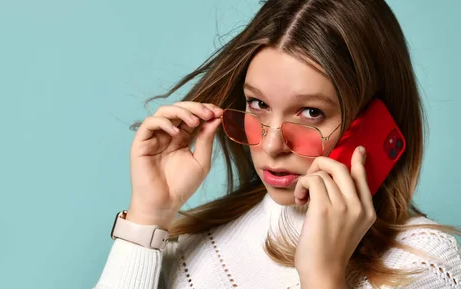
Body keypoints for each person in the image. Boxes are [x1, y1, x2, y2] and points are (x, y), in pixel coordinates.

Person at [95, 0, 461, 288]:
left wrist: (323, 277)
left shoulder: (424, 262)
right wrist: (147, 218)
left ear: (375, 121)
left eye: (311, 112)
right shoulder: (190, 243)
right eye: (258, 104)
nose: (271, 146)